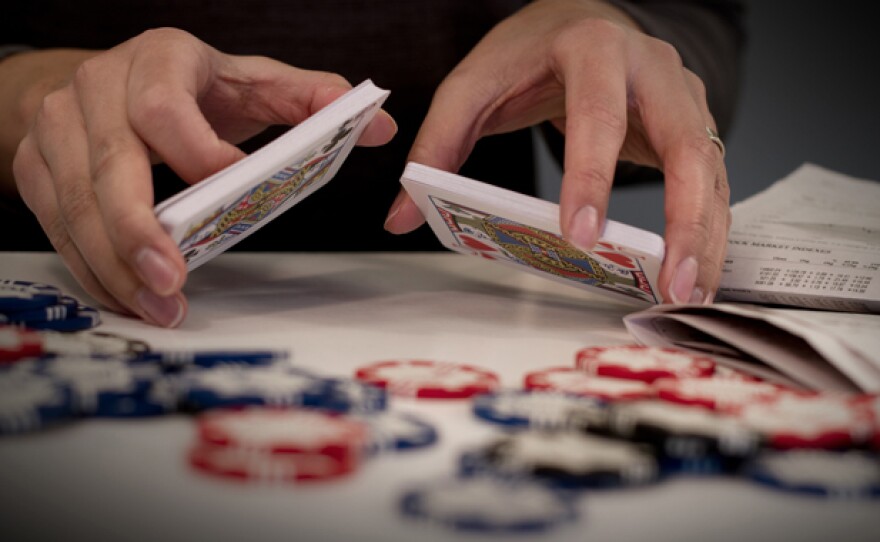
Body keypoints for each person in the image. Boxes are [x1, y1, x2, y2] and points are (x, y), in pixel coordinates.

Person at [0, 0, 745, 327]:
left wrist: (612, 20)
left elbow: (698, 11)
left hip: (479, 308)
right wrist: (26, 88)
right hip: (59, 267)